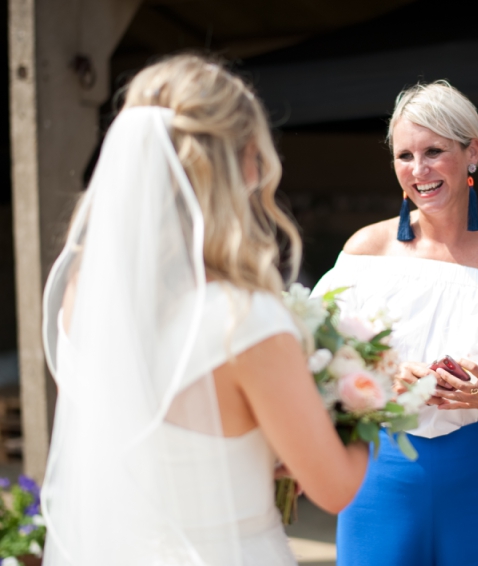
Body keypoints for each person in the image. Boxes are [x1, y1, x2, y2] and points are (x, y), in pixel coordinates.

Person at [40, 55, 368, 566]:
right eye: (257, 152)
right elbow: (335, 488)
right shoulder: (244, 318)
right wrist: (365, 402)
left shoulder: (83, 291)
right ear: (240, 164)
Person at [311, 80, 478, 566]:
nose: (419, 170)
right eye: (404, 156)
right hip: (381, 470)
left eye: (434, 151)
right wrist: (378, 378)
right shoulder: (364, 254)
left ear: (471, 151)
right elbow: (316, 361)